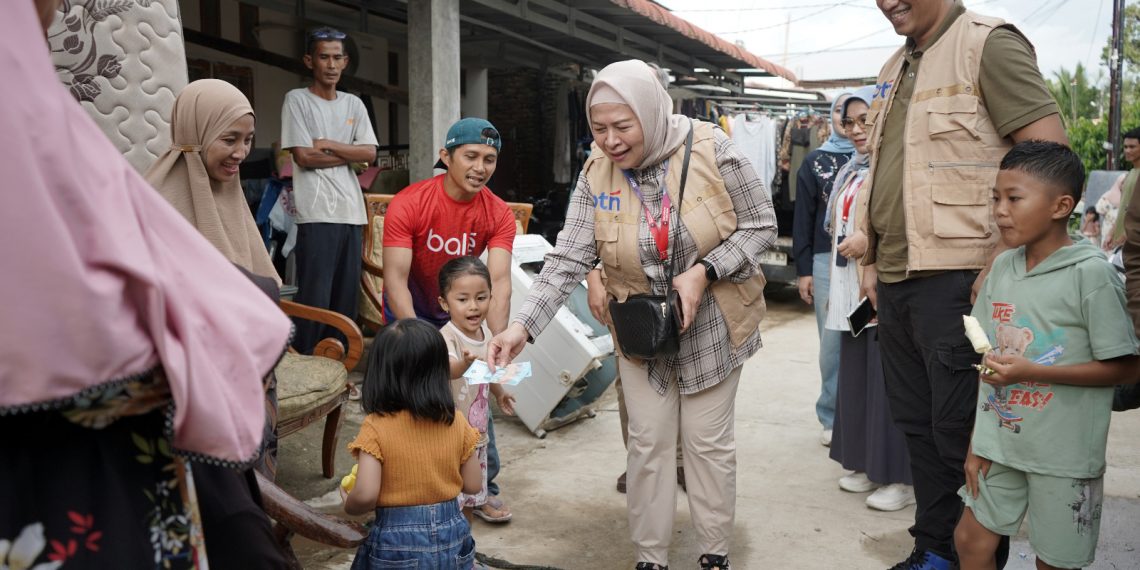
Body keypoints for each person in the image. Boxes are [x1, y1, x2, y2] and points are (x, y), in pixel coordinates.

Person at [0, 1, 293, 567]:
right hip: (94, 464)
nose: (239, 154)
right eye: (227, 139)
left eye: (247, 140)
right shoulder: (144, 192)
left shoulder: (52, 125)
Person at [488, 59, 777, 570]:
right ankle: (651, 558)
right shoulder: (596, 171)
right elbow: (567, 258)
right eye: (599, 129)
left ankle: (714, 554)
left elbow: (759, 226)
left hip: (712, 323)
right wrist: (520, 327)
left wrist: (704, 270)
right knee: (648, 444)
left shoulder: (714, 148)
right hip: (640, 328)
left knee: (707, 445)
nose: (611, 141)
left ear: (651, 110)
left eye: (623, 126)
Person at [856, 1, 1066, 567]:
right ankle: (934, 552)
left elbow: (1050, 160)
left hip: (961, 282)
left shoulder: (987, 45)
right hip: (898, 281)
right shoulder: (893, 67)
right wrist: (870, 263)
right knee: (919, 431)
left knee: (961, 437)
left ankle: (973, 558)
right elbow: (883, 171)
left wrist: (1002, 263)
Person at [953, 141, 1140, 570]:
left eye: (1014, 198)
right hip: (1001, 443)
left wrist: (1034, 371)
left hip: (1065, 455)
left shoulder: (1090, 274)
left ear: (1061, 206)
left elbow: (1128, 366)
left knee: (1054, 561)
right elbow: (987, 362)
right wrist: (976, 444)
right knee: (969, 539)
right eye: (996, 198)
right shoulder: (1002, 268)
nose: (1000, 210)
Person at [382, 117, 517, 523]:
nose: (480, 167)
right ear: (446, 156)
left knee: (474, 399)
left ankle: (482, 489)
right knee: (408, 403)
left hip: (463, 314)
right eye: (471, 156)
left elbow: (499, 281)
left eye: (490, 159)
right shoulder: (409, 202)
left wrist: (496, 341)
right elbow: (395, 278)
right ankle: (403, 489)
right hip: (415, 311)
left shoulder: (498, 213)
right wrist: (421, 342)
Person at [822, 87, 915, 512]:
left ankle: (898, 475)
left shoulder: (900, 167)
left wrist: (870, 238)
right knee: (857, 378)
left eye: (867, 120)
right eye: (850, 122)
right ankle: (862, 461)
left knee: (888, 382)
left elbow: (906, 221)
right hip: (853, 290)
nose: (858, 130)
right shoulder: (854, 168)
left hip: (886, 283)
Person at [343, 319, 482, 569]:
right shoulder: (456, 421)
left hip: (396, 541)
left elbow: (365, 494)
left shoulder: (376, 426)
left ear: (380, 373)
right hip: (453, 533)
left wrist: (349, 501)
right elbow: (473, 485)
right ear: (439, 372)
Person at [282, 26, 379, 353]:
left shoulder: (353, 104)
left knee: (344, 301)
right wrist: (345, 153)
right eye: (324, 57)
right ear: (310, 60)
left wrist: (328, 145)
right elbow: (304, 157)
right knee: (315, 297)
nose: (332, 64)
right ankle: (311, 365)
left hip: (351, 213)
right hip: (317, 214)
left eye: (338, 57)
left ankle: (340, 369)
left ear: (346, 61)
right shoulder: (297, 100)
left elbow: (369, 153)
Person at [794, 91, 856, 447]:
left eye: (859, 117)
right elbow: (804, 218)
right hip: (824, 260)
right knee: (831, 342)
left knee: (863, 338)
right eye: (841, 115)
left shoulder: (877, 159)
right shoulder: (815, 161)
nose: (848, 124)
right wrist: (804, 269)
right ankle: (830, 415)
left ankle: (857, 414)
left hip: (866, 260)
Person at [437, 256, 517, 522]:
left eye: (481, 297)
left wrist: (500, 393)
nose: (473, 307)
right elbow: (449, 369)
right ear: (444, 303)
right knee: (452, 487)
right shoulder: (446, 336)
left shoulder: (487, 336)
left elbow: (487, 372)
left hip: (478, 424)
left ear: (491, 298)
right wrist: (465, 363)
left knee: (472, 491)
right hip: (452, 428)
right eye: (463, 300)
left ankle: (465, 541)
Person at [1102, 127, 1140, 251]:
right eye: (1125, 147)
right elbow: (1123, 210)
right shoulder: (1129, 175)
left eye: (1132, 147)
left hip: (1132, 244)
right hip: (1120, 244)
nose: (1128, 150)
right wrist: (1111, 234)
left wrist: (1124, 238)